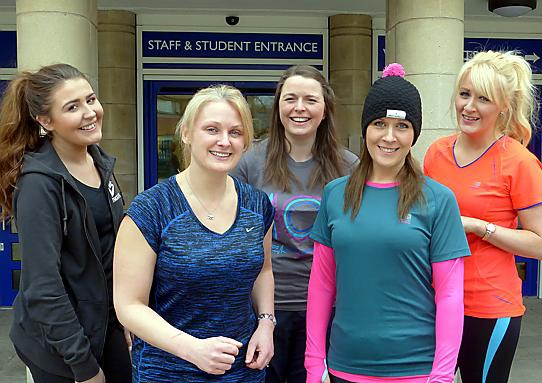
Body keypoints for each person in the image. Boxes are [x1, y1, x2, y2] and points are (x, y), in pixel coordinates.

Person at [306, 64, 471, 383]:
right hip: (345, 365)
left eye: (402, 126)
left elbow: (450, 293)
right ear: (366, 127)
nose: (389, 137)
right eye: (380, 124)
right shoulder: (335, 194)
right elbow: (322, 284)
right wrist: (315, 363)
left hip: (416, 367)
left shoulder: (437, 199)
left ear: (414, 134)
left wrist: (442, 374)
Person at [113, 84, 275, 382]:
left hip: (243, 370)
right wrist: (192, 349)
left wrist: (266, 323)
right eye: (211, 129)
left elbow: (263, 271)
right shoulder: (151, 209)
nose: (224, 141)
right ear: (186, 133)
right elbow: (128, 305)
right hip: (169, 370)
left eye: (235, 132)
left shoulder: (257, 204)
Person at [0, 64, 131, 383]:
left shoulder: (99, 162)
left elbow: (110, 249)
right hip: (60, 343)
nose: (90, 112)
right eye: (73, 107)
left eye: (91, 99)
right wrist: (83, 367)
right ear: (46, 121)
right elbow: (43, 288)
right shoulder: (38, 186)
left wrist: (127, 312)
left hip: (104, 322)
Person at [231, 65, 358, 383]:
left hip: (328, 307)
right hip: (262, 309)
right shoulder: (250, 163)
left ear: (325, 109)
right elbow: (232, 235)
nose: (299, 108)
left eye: (310, 100)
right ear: (278, 107)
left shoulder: (349, 166)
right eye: (290, 99)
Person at [424, 51, 542, 383]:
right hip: (434, 302)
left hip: (490, 307)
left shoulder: (518, 161)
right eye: (464, 94)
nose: (469, 106)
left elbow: (539, 244)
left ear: (503, 105)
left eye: (483, 99)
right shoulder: (436, 153)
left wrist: (478, 227)